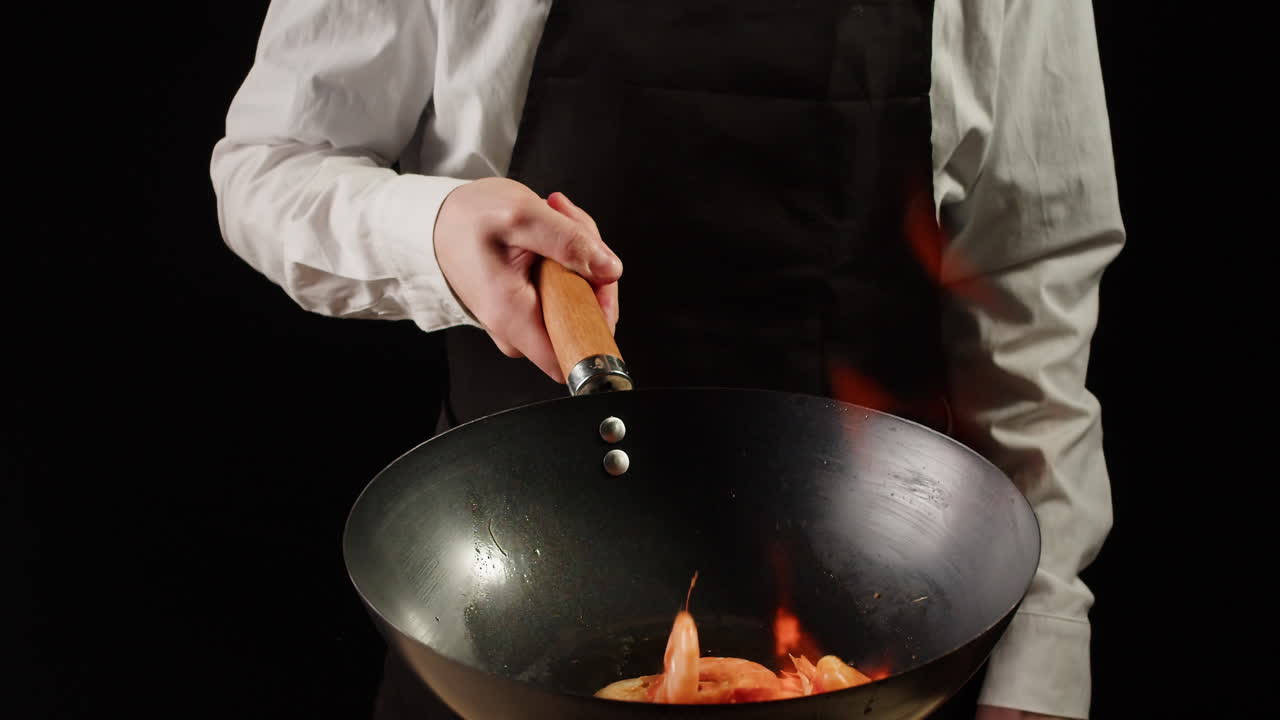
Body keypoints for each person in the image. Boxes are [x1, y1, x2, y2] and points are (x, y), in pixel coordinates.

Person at [209, 1, 1124, 718]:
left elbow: (1031, 285)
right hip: (495, 617)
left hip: (877, 634)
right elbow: (270, 164)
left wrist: (1042, 657)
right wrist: (436, 230)